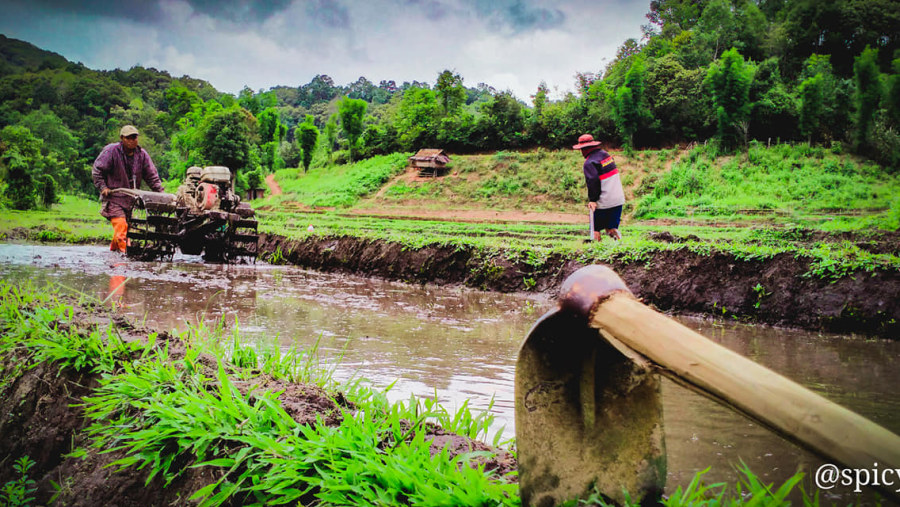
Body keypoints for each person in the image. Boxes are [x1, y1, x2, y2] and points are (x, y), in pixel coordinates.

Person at [92, 125, 164, 253]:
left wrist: (162, 194)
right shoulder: (111, 151)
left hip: (130, 200)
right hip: (114, 197)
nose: (132, 140)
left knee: (122, 230)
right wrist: (103, 187)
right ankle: (125, 258)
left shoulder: (142, 155)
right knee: (121, 226)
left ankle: (114, 254)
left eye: (134, 137)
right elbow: (97, 170)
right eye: (128, 138)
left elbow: (151, 176)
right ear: (122, 138)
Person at [573, 133, 625, 241]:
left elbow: (593, 181)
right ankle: (620, 247)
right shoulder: (606, 155)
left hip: (604, 201)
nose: (582, 152)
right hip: (618, 198)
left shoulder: (589, 163)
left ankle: (596, 252)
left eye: (582, 149)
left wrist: (592, 200)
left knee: (595, 229)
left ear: (586, 149)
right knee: (611, 229)